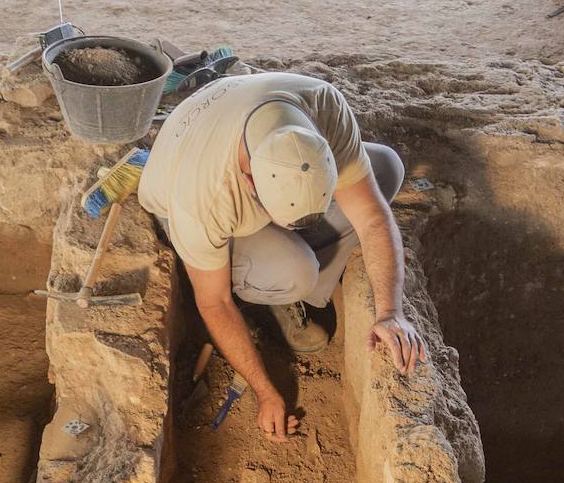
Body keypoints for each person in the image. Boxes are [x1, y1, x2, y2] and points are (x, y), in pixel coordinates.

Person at [138, 71, 424, 442]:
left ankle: (298, 284)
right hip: (178, 188)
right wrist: (265, 391)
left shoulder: (325, 104)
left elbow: (371, 217)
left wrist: (390, 312)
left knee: (385, 167)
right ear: (250, 180)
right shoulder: (204, 197)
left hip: (231, 123)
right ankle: (276, 293)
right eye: (280, 218)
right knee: (296, 269)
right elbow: (214, 302)